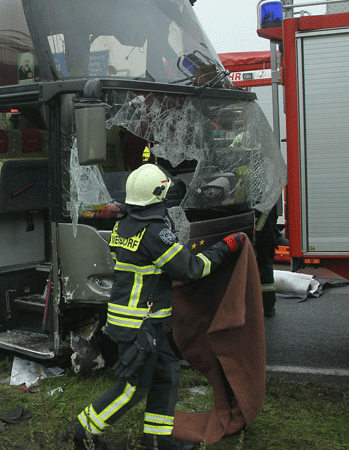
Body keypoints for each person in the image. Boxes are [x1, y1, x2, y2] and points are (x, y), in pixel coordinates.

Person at [62, 163, 247, 450]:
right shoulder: (154, 233)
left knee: (167, 375)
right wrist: (227, 246)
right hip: (140, 327)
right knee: (133, 389)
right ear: (159, 194)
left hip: (143, 324)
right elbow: (192, 268)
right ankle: (82, 431)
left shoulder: (124, 224)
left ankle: (157, 441)